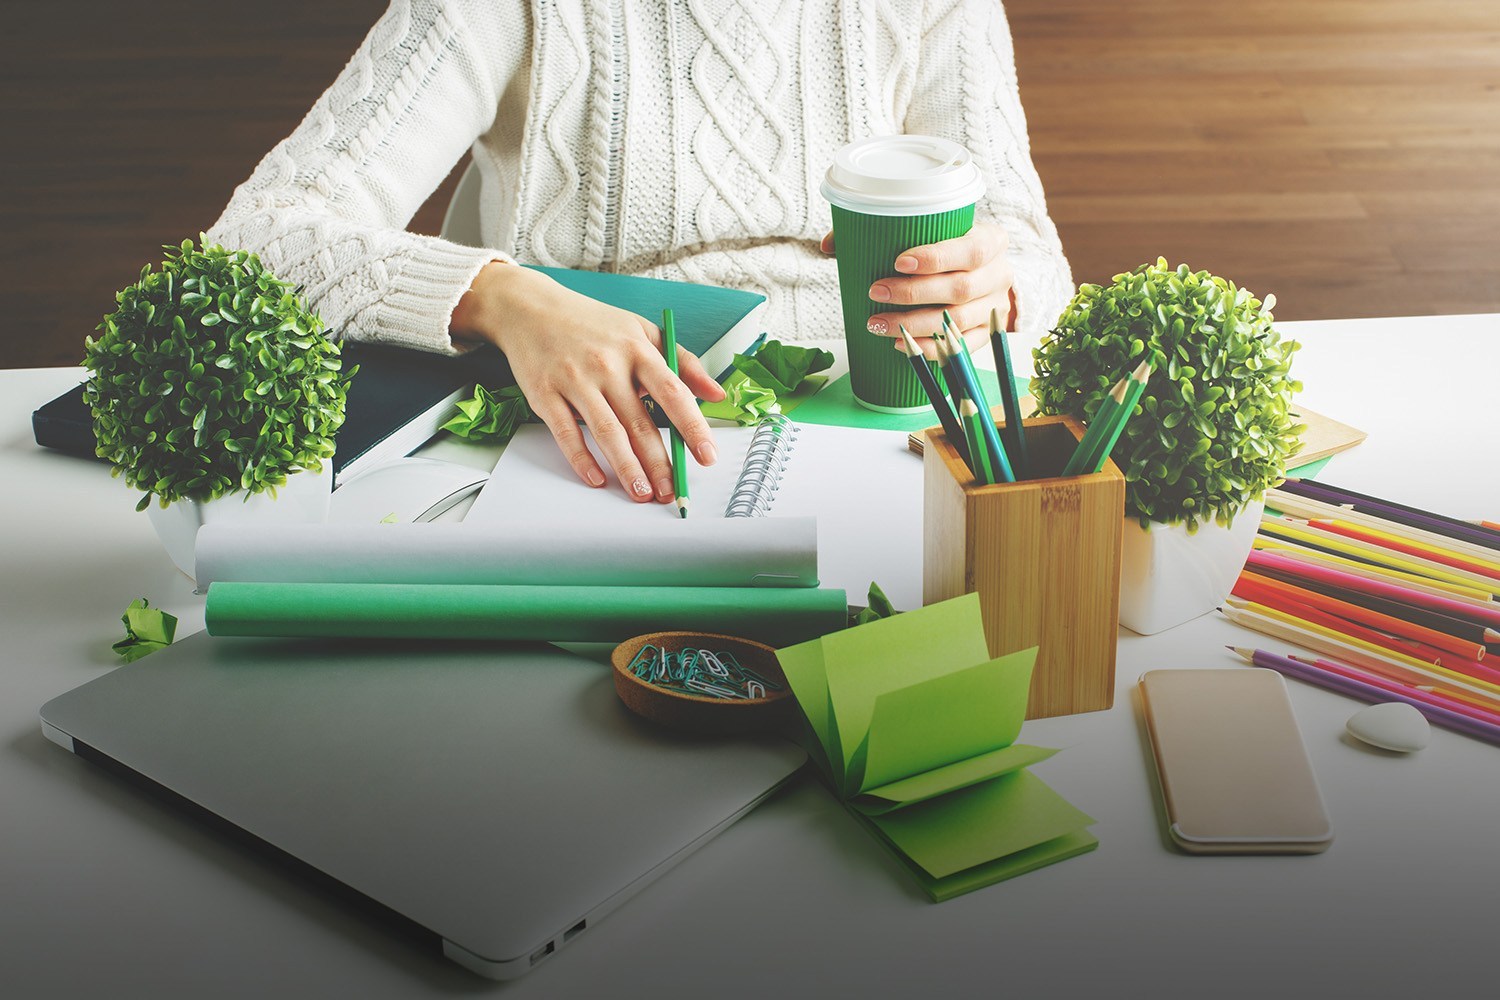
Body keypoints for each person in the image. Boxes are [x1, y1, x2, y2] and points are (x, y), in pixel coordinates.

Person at [206, 0, 1073, 504]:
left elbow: (1035, 261)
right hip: (597, 444)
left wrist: (992, 284)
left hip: (889, 429)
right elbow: (252, 244)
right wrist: (506, 299)